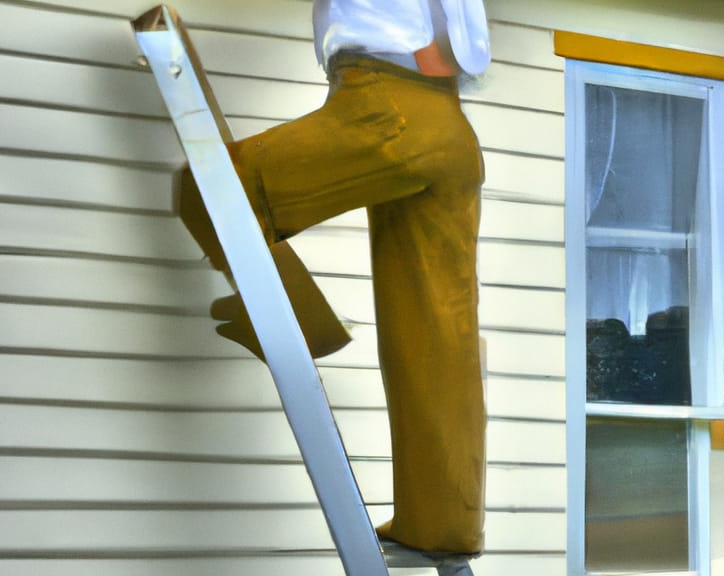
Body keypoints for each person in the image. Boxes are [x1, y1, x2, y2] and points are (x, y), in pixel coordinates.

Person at [177, 0, 491, 555]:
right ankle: (444, 523)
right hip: (451, 126)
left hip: (383, 100)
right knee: (438, 337)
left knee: (208, 189)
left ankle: (301, 323)